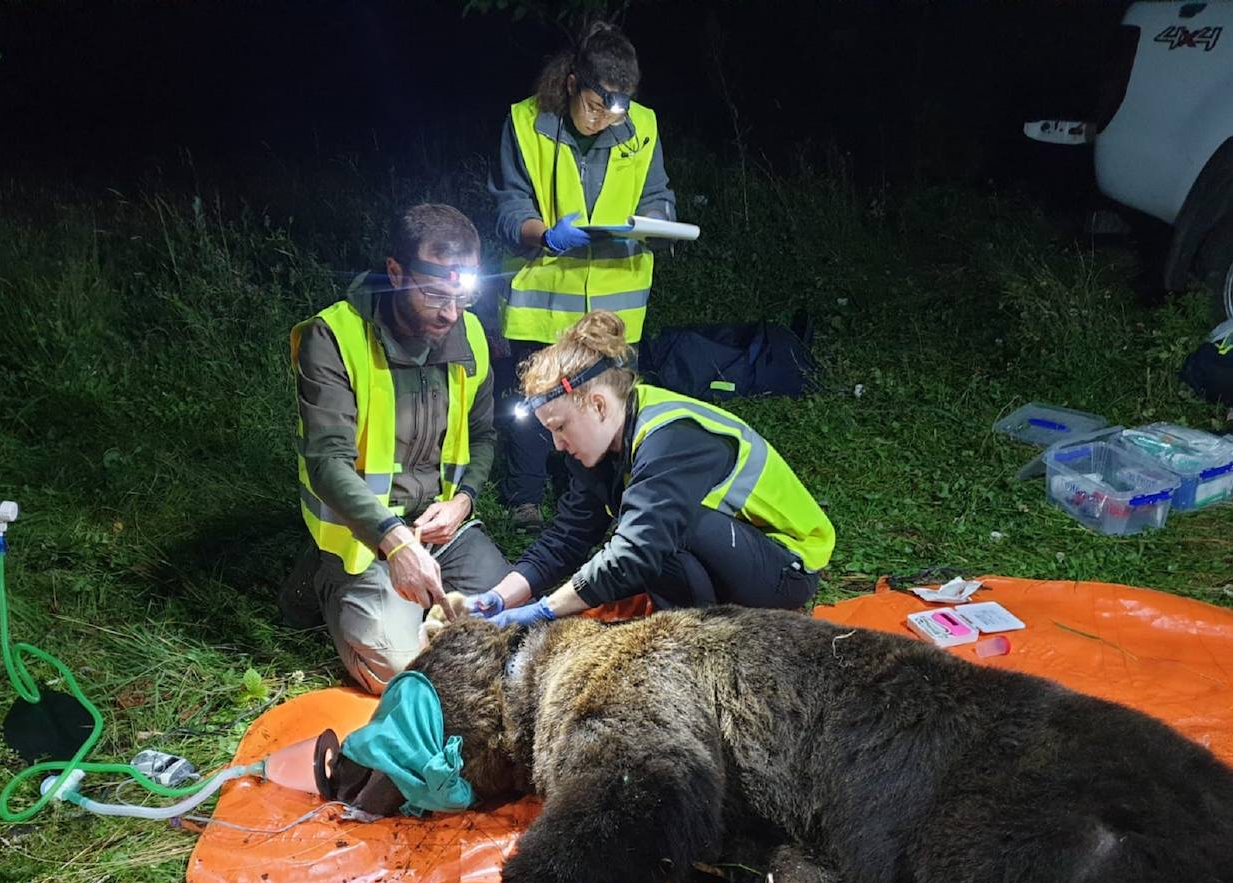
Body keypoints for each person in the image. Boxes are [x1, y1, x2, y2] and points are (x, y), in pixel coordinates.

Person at [465, 310, 835, 627]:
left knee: (655, 536)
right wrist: (501, 598)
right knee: (644, 541)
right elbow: (568, 537)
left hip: (786, 567)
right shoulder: (602, 446)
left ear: (597, 405)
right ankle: (697, 632)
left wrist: (546, 610)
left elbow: (637, 550)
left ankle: (702, 644)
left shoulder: (671, 437)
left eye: (560, 427)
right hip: (730, 555)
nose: (558, 445)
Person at [289, 203, 511, 693]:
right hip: (364, 542)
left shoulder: (468, 332)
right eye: (434, 294)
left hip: (443, 530)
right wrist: (394, 541)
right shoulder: (333, 337)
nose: (450, 313)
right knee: (407, 672)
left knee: (518, 627)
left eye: (463, 296)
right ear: (395, 273)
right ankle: (328, 588)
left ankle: (423, 601)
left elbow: (484, 436)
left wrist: (463, 501)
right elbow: (326, 462)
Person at [488, 21, 676, 531]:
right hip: (543, 299)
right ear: (572, 83)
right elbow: (508, 206)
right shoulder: (524, 123)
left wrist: (659, 223)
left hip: (615, 307)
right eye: (597, 105)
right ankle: (523, 498)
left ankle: (595, 499)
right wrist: (544, 235)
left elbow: (657, 192)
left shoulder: (642, 125)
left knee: (602, 403)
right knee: (533, 400)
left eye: (618, 107)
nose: (607, 118)